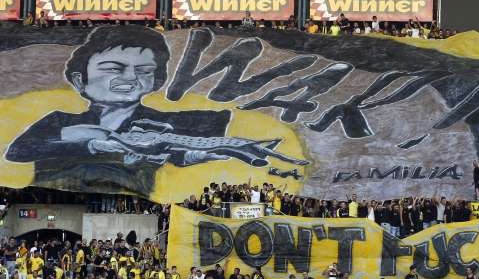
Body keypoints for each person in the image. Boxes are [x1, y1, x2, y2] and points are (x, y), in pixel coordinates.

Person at [6, 26, 307, 197]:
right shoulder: (60, 122)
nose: (129, 78)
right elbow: (17, 152)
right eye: (113, 68)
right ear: (78, 80)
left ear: (154, 81)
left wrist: (192, 156)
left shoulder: (164, 124)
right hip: (54, 200)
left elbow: (177, 152)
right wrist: (90, 140)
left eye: (144, 71)